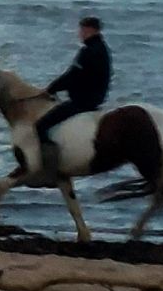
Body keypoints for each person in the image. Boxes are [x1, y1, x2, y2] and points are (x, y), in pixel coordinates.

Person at [31, 14, 111, 175]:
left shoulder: (89, 51)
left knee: (40, 126)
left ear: (90, 30)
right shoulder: (101, 48)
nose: (79, 33)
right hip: (94, 97)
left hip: (83, 100)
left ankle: (49, 166)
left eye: (81, 30)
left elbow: (72, 76)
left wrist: (50, 89)